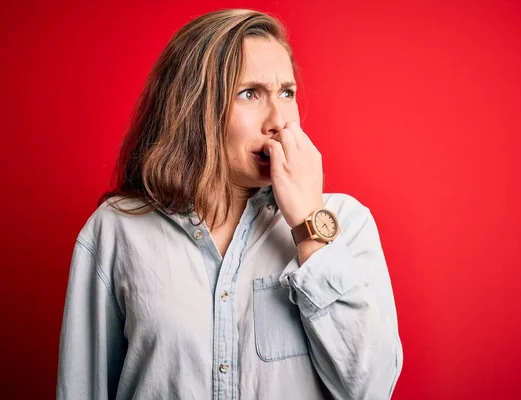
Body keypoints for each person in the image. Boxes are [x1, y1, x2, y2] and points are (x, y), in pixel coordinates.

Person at [57, 8, 402, 400]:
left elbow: (371, 390)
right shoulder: (117, 230)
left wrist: (308, 224)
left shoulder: (347, 225)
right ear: (194, 108)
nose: (278, 120)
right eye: (249, 93)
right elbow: (81, 388)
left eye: (286, 93)